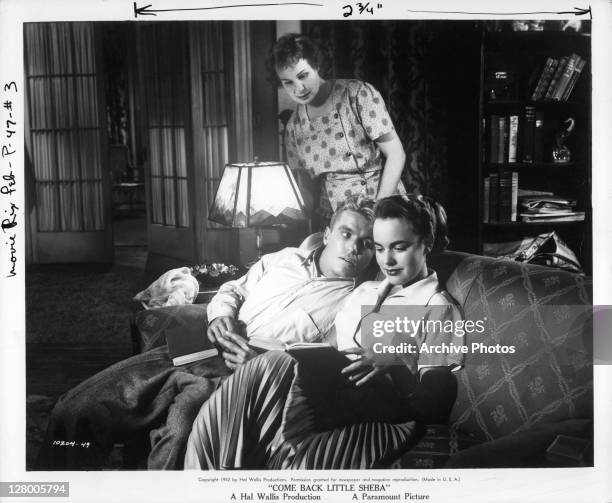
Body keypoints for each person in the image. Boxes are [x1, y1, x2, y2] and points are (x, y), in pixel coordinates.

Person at [36, 197, 376, 470]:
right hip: (200, 346)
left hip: (242, 378)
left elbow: (332, 367)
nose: (354, 248)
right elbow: (232, 289)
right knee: (79, 407)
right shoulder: (284, 259)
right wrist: (219, 316)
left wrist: (265, 362)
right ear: (328, 233)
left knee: (180, 435)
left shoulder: (358, 302)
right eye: (346, 234)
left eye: (367, 243)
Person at [184, 195, 464, 470]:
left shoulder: (436, 306)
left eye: (399, 247)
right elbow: (325, 349)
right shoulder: (365, 291)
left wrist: (393, 365)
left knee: (269, 367)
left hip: (374, 411)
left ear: (426, 245)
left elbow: (434, 405)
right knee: (254, 381)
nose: (387, 260)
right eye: (379, 248)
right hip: (322, 395)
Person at [270, 33, 407, 222]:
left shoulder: (357, 94)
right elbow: (308, 194)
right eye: (288, 82)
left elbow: (396, 154)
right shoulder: (294, 128)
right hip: (337, 219)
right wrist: (278, 211)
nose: (299, 88)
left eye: (303, 75)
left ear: (316, 66)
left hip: (382, 206)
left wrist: (378, 211)